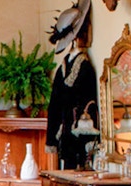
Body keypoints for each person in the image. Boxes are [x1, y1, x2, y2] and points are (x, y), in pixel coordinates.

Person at [47, 0, 99, 170]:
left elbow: (89, 105)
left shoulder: (83, 67)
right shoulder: (67, 66)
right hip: (68, 137)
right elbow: (54, 106)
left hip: (76, 138)